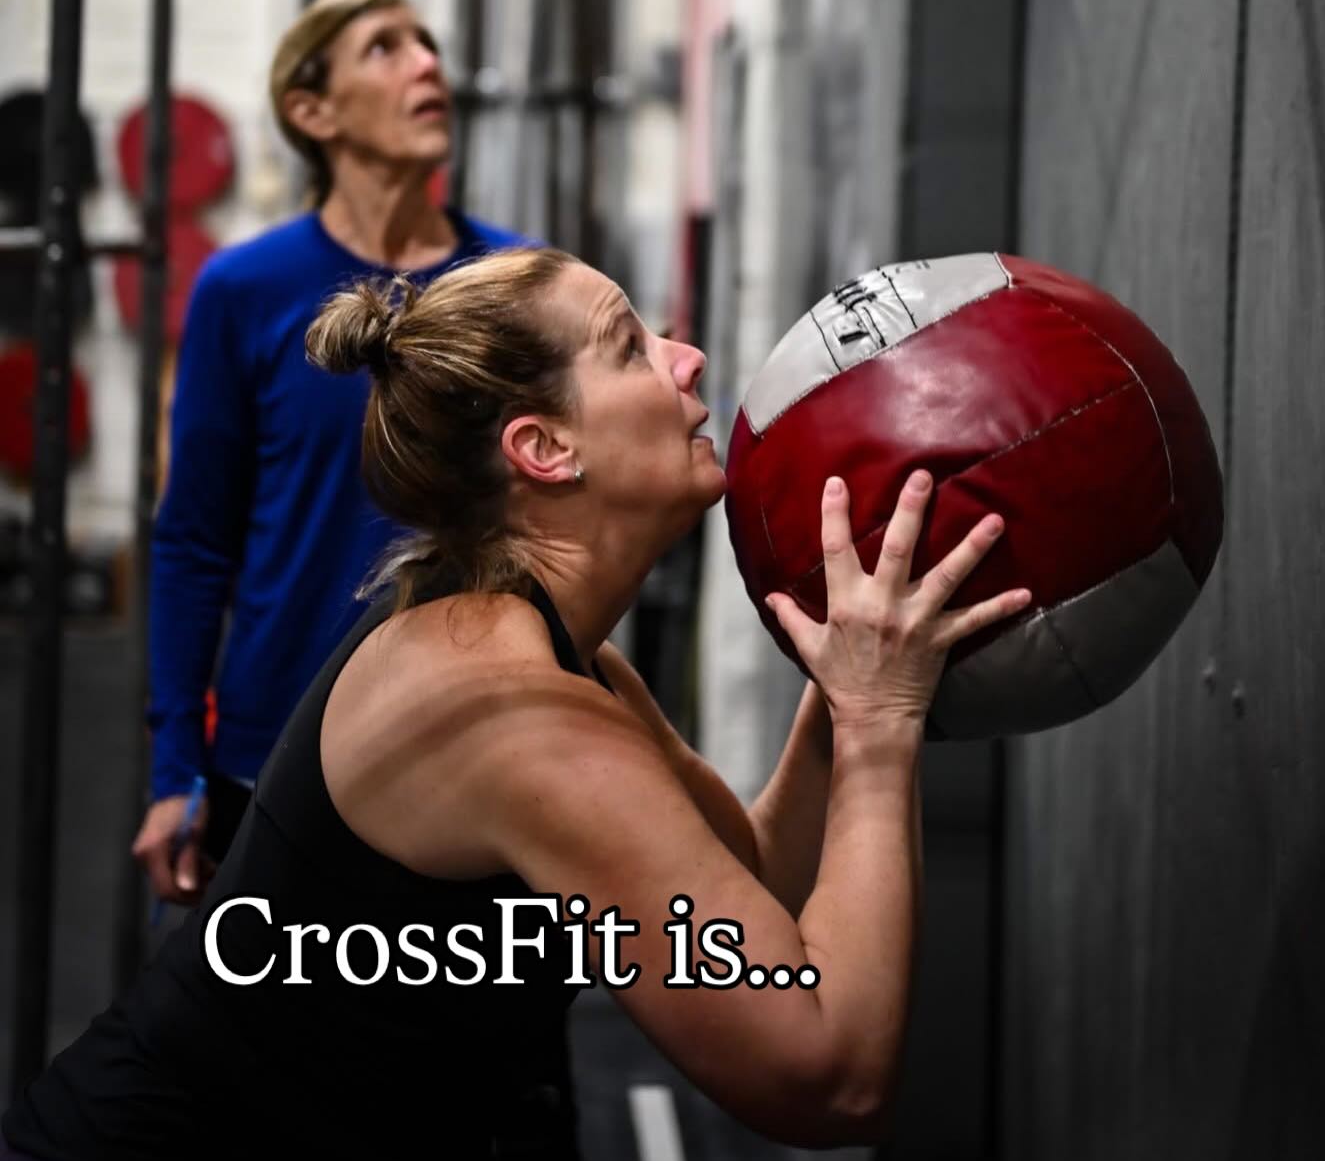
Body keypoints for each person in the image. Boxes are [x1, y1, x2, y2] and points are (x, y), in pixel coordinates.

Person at [4, 246, 1032, 1158]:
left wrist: (847, 663)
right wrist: (878, 725)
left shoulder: (553, 654)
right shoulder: (512, 712)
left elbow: (747, 876)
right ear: (545, 449)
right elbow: (828, 1074)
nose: (688, 359)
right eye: (630, 346)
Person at [133, 0, 528, 902]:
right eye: (385, 49)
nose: (428, 63)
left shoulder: (513, 285)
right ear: (312, 111)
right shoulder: (245, 289)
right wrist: (171, 769)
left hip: (473, 736)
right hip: (276, 746)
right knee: (263, 1036)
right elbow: (193, 541)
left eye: (428, 44)